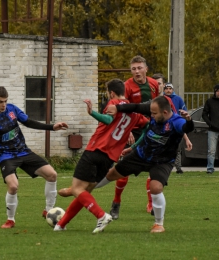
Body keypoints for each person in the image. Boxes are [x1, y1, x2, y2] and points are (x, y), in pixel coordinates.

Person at [58, 56, 160, 218]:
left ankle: (150, 204)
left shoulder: (154, 84)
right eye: (133, 69)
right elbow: (121, 109)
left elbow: (154, 107)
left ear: (146, 69)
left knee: (155, 168)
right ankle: (115, 202)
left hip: (146, 128)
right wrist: (130, 132)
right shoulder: (126, 86)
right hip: (129, 130)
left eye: (139, 68)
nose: (137, 72)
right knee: (120, 171)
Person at [54, 79, 149, 233]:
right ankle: (61, 225)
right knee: (84, 192)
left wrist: (92, 113)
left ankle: (101, 216)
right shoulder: (135, 112)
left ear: (111, 92)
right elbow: (148, 127)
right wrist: (134, 146)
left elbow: (108, 119)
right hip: (110, 158)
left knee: (77, 189)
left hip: (96, 149)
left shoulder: (113, 103)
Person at [96, 96, 194, 233]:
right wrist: (117, 108)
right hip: (140, 155)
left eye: (154, 114)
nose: (151, 116)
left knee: (156, 187)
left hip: (162, 161)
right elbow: (135, 107)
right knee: (112, 174)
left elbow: (186, 128)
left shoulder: (176, 121)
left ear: (165, 113)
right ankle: (83, 189)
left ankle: (159, 224)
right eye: (151, 113)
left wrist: (189, 120)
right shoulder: (154, 111)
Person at [0, 86, 68, 228]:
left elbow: (29, 122)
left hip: (23, 152)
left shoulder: (12, 109)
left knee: (52, 175)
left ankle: (48, 211)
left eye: (5, 101)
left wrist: (52, 127)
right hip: (5, 156)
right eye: (0, 102)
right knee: (13, 186)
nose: (3, 105)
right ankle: (11, 220)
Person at [163, 82, 192, 174]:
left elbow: (184, 110)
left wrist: (182, 119)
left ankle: (178, 167)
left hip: (176, 125)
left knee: (177, 148)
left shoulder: (178, 99)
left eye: (170, 89)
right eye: (166, 88)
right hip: (165, 126)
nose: (168, 90)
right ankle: (163, 166)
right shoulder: (161, 99)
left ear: (172, 90)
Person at [202, 84, 219, 174]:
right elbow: (204, 114)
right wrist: (210, 123)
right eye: (218, 91)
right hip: (213, 130)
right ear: (215, 91)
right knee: (211, 151)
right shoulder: (210, 101)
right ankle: (210, 169)